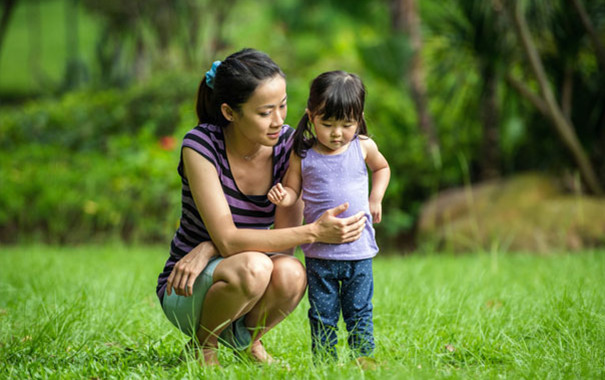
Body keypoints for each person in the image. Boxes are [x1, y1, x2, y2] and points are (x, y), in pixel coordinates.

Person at [155, 49, 368, 367]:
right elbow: (230, 240)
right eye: (265, 112)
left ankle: (246, 341)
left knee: (292, 273)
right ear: (229, 112)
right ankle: (203, 346)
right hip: (188, 286)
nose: (279, 120)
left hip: (243, 275)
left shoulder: (289, 147)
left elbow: (284, 245)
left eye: (282, 106)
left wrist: (211, 245)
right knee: (254, 267)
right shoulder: (201, 147)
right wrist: (313, 230)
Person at [268, 71, 390, 362]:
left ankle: (363, 358)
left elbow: (382, 168)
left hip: (358, 252)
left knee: (359, 309)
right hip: (320, 255)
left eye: (347, 124)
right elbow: (293, 190)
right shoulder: (304, 154)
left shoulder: (363, 147)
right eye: (328, 124)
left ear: (358, 118)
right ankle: (324, 362)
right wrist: (283, 196)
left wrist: (376, 197)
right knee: (323, 313)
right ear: (311, 117)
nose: (337, 133)